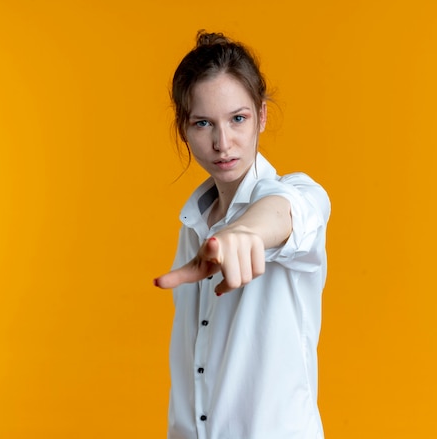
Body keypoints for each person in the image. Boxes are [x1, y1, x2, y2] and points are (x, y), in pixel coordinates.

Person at [154, 30, 331, 439]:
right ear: (183, 129)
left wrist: (245, 233)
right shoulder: (192, 227)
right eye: (203, 123)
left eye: (238, 118)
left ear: (262, 116)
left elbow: (285, 214)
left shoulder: (297, 195)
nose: (222, 142)